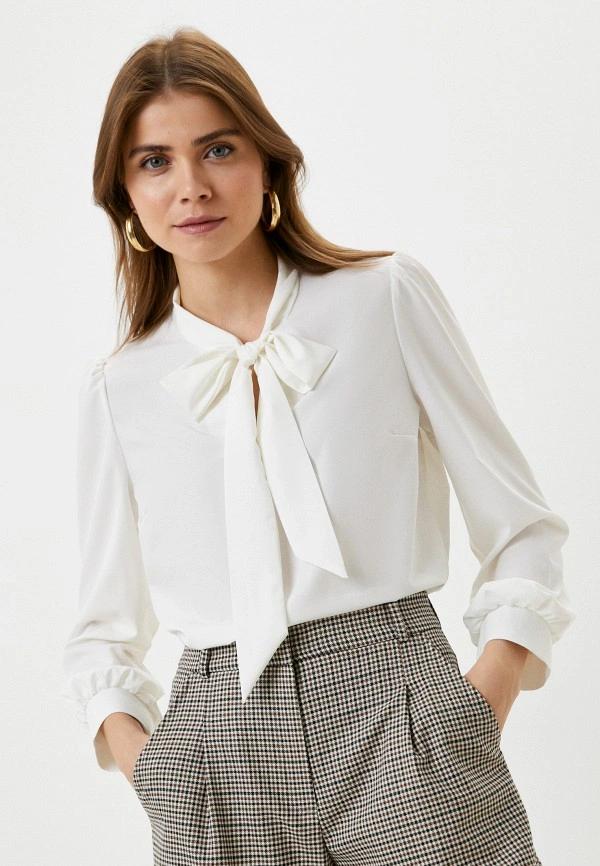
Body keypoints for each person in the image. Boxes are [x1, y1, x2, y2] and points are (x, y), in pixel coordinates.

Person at [61, 25, 574, 866]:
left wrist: (481, 700)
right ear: (125, 198)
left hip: (403, 716)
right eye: (154, 162)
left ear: (267, 164)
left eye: (218, 149)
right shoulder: (121, 386)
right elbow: (102, 628)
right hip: (215, 748)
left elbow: (521, 527)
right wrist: (157, 769)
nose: (192, 187)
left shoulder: (384, 299)